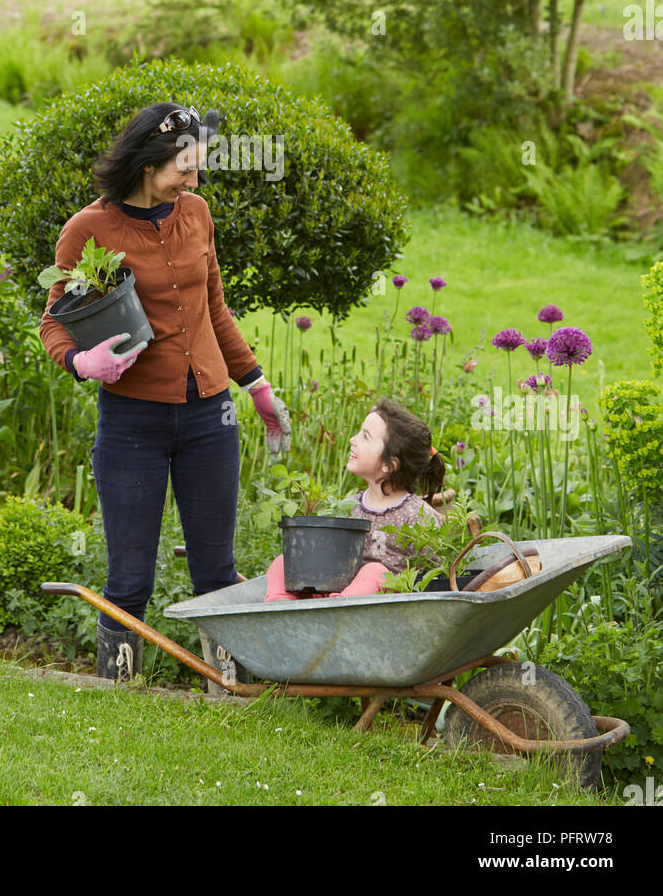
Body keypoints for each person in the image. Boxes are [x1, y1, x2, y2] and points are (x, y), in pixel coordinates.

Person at [38, 101, 285, 680]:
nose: (194, 181)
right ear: (149, 164)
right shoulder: (89, 229)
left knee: (216, 569)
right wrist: (81, 361)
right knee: (129, 578)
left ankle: (231, 689)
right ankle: (119, 695)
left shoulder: (196, 214)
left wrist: (256, 386)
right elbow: (54, 319)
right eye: (184, 169)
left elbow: (214, 309)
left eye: (198, 169)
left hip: (209, 418)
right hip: (131, 424)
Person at [264, 397, 446, 601]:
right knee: (283, 562)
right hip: (336, 586)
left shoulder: (418, 516)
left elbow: (435, 573)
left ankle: (338, 607)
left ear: (389, 465)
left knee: (375, 571)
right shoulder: (348, 507)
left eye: (365, 437)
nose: (353, 439)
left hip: (383, 603)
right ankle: (282, 606)